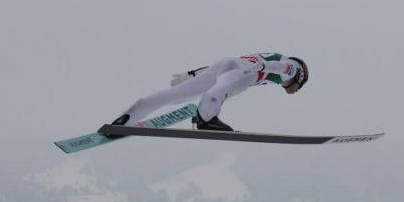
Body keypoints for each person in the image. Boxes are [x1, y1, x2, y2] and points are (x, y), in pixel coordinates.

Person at [109, 53, 309, 132]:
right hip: (247, 71)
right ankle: (206, 117)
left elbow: (230, 65)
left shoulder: (279, 64)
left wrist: (192, 74)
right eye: (300, 87)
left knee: (178, 93)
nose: (296, 91)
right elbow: (281, 67)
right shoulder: (293, 69)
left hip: (228, 63)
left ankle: (127, 117)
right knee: (224, 89)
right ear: (300, 79)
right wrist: (264, 66)